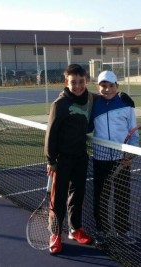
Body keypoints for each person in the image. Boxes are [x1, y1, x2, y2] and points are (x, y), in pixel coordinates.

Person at [44, 64, 93, 254]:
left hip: (81, 157)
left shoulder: (89, 98)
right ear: (67, 82)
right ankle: (55, 234)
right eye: (74, 82)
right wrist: (50, 160)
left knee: (77, 195)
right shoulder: (59, 104)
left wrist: (122, 96)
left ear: (86, 81)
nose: (78, 86)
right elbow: (51, 134)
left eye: (81, 81)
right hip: (61, 160)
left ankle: (75, 229)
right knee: (58, 200)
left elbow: (107, 97)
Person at [89, 70, 138, 246]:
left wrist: (130, 154)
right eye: (103, 86)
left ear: (117, 86)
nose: (107, 89)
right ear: (98, 87)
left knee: (122, 197)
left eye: (111, 86)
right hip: (100, 159)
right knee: (101, 197)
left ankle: (122, 230)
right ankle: (101, 230)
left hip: (121, 160)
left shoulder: (127, 105)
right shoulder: (93, 104)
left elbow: (134, 133)